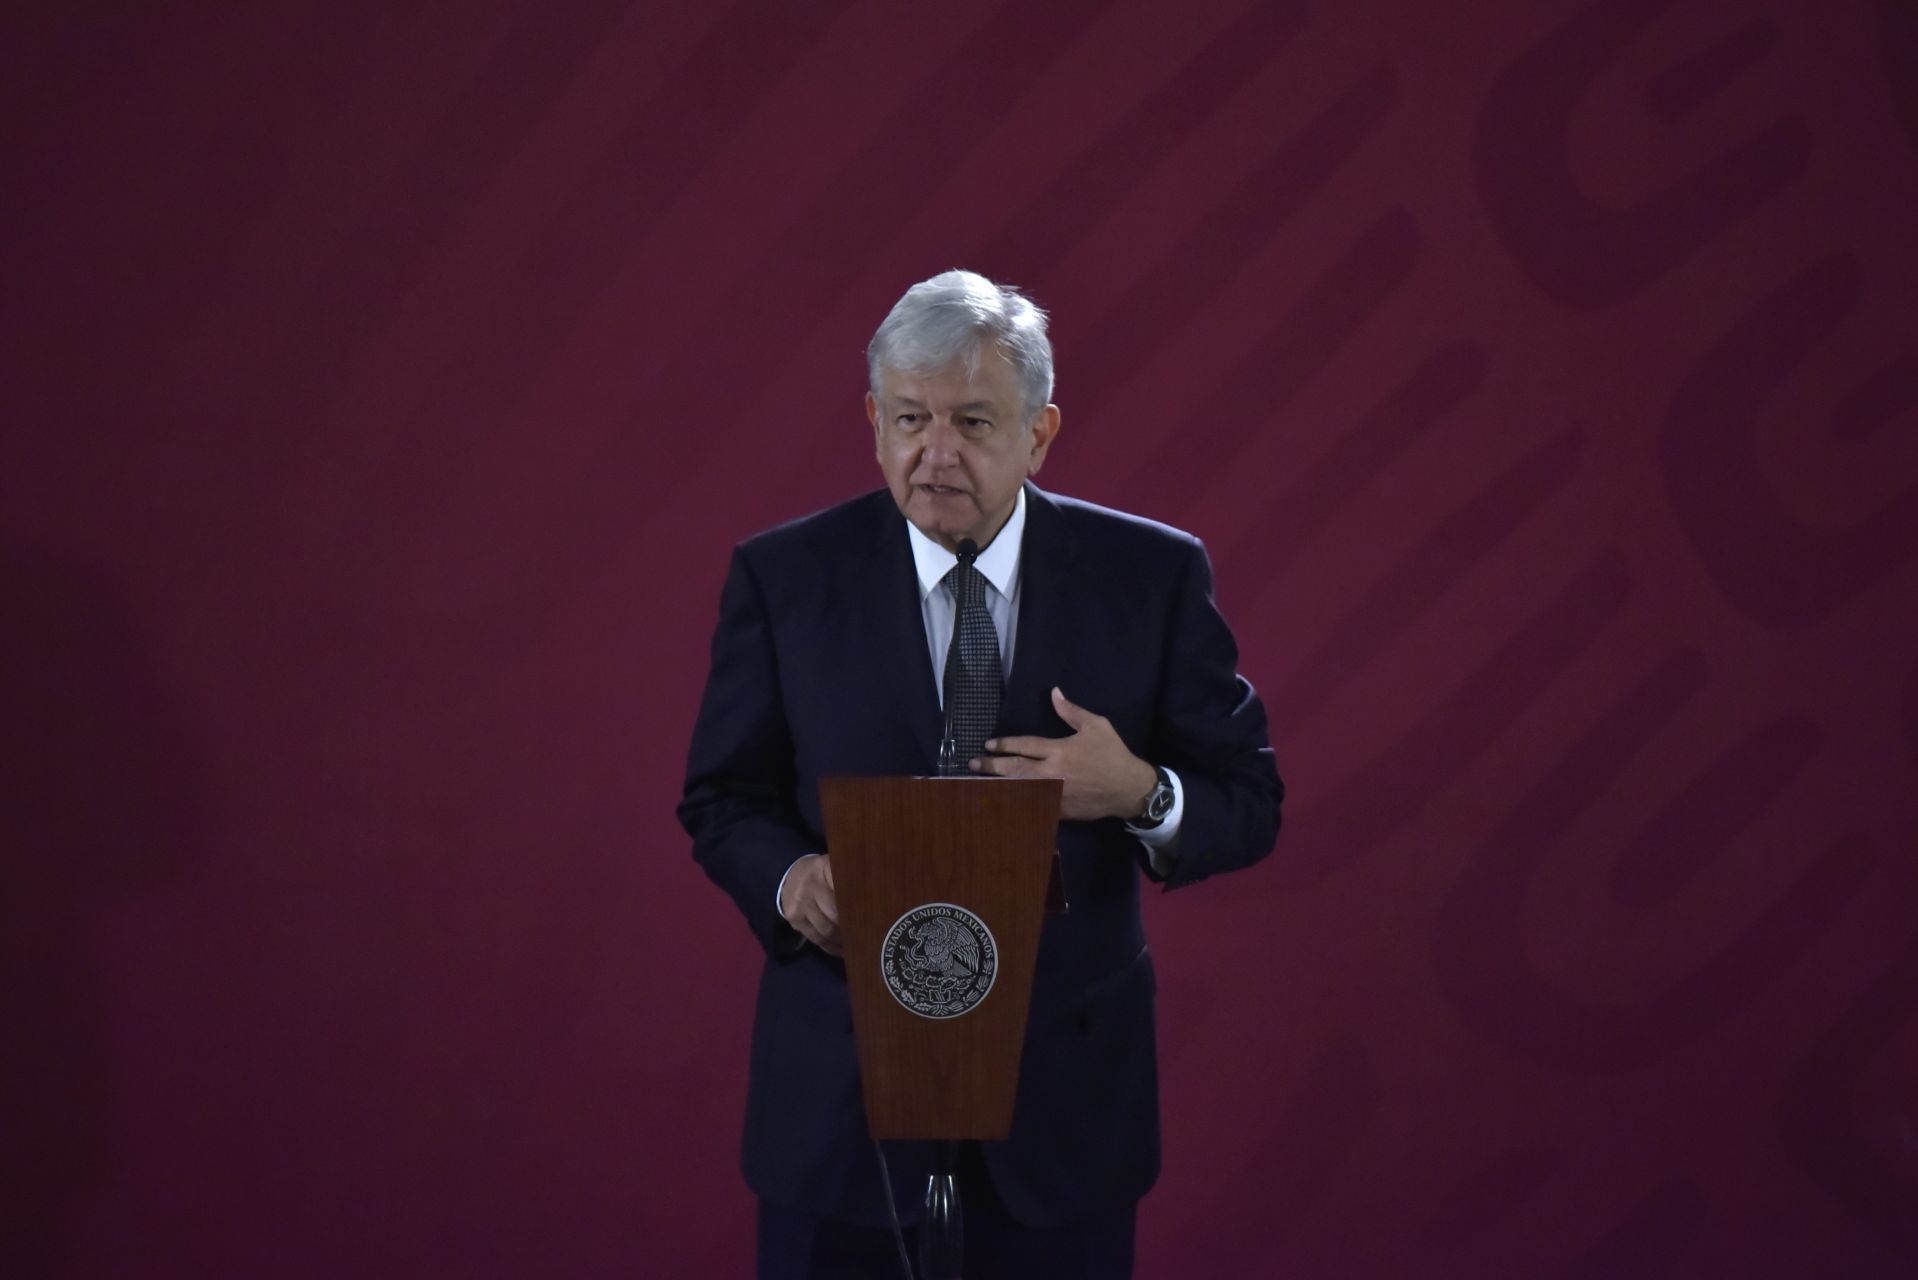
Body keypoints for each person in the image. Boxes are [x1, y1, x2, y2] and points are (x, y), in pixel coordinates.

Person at [679, 270, 1283, 1279]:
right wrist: (793, 882)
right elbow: (721, 798)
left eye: (971, 420)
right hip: (840, 1098)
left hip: (1064, 1106)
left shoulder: (1151, 575)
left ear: (1040, 432)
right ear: (874, 420)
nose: (935, 453)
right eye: (910, 417)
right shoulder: (783, 578)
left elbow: (1248, 802)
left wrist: (1137, 789)